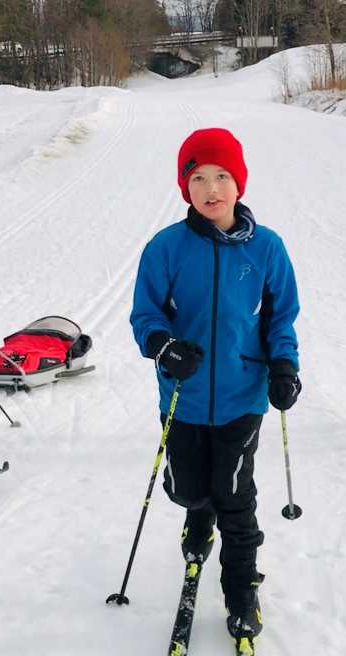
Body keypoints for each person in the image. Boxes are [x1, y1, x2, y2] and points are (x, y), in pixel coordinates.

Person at [129, 128, 301, 642]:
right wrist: (163, 345)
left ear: (238, 182)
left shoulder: (267, 249)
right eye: (198, 178)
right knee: (188, 490)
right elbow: (145, 314)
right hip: (181, 397)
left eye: (222, 177)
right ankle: (195, 522)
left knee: (235, 495)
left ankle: (242, 589)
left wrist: (284, 366)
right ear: (185, 187)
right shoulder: (166, 248)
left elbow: (280, 317)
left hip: (241, 397)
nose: (211, 189)